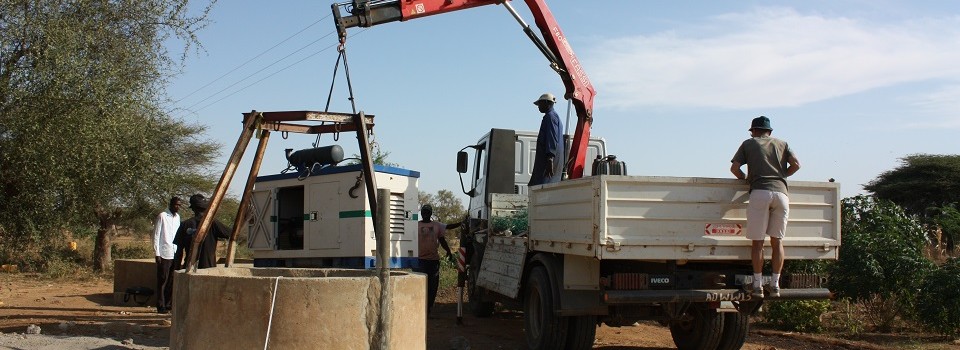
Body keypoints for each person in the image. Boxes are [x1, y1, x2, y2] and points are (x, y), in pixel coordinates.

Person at [730, 116, 801, 298]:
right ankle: (775, 284)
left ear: (754, 130)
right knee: (777, 242)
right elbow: (796, 165)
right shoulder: (783, 144)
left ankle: (757, 285)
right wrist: (781, 176)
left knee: (758, 243)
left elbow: (735, 169)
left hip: (760, 192)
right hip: (781, 194)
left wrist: (746, 179)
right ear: (770, 131)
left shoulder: (749, 143)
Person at [173, 194, 232, 270]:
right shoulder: (213, 223)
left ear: (193, 209)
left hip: (189, 269)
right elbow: (232, 234)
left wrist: (177, 270)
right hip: (208, 271)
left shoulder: (185, 224)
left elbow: (179, 251)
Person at [415, 204, 454, 315]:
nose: (425, 214)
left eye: (427, 212)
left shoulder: (437, 225)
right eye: (424, 212)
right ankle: (421, 308)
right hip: (420, 261)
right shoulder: (415, 225)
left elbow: (442, 238)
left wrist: (448, 251)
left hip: (433, 261)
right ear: (421, 213)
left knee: (433, 287)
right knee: (422, 285)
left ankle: (429, 309)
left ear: (431, 213)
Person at [152, 196, 181, 313]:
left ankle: (168, 304)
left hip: (174, 252)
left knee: (171, 280)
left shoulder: (178, 217)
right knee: (162, 280)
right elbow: (156, 235)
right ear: (170, 204)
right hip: (164, 253)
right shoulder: (162, 216)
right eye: (175, 205)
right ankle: (160, 305)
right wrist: (157, 253)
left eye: (179, 205)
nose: (177, 207)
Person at [529, 92, 563, 186]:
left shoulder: (550, 117)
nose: (538, 106)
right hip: (549, 162)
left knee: (539, 188)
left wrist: (550, 159)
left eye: (540, 104)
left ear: (547, 103)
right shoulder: (554, 117)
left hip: (547, 163)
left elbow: (552, 138)